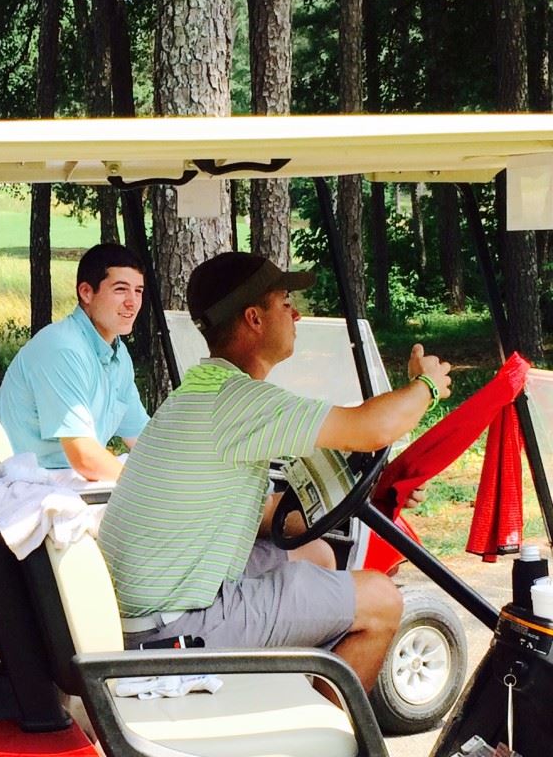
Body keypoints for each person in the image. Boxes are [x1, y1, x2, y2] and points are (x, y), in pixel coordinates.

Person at [98, 251, 452, 699]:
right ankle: (321, 737)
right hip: (172, 630)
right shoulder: (238, 402)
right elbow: (371, 428)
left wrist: (372, 494)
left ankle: (290, 698)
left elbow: (263, 512)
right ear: (254, 319)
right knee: (383, 601)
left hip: (159, 601)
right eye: (285, 301)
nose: (297, 312)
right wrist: (425, 387)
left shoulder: (205, 389)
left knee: (319, 555)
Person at [0, 243, 149, 481]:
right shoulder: (62, 347)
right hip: (30, 487)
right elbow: (84, 457)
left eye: (138, 291)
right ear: (86, 293)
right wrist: (150, 488)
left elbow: (142, 440)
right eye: (120, 289)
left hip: (73, 485)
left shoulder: (118, 355)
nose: (132, 302)